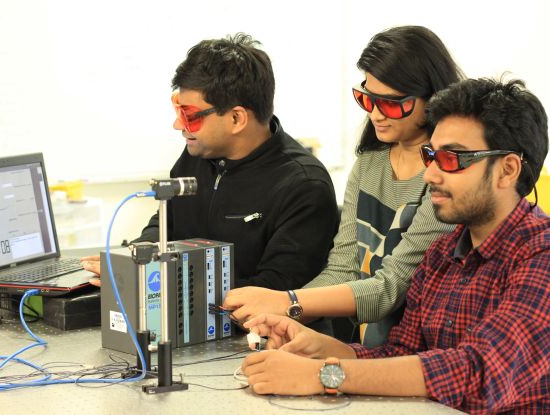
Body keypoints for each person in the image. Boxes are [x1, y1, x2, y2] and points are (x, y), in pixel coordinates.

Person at [241, 77, 550, 414]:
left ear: (507, 170)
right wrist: (322, 349)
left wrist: (323, 374)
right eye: (431, 156)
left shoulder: (541, 257)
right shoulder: (444, 253)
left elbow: (478, 373)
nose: (430, 174)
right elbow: (402, 354)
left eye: (452, 159)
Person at [224, 26, 463, 346]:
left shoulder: (443, 178)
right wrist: (280, 318)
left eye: (391, 104)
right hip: (369, 347)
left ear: (432, 98)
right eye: (367, 98)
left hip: (424, 352)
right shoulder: (369, 163)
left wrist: (288, 302)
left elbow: (390, 288)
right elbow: (344, 268)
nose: (376, 114)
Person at [82, 33, 339, 291]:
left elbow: (272, 291)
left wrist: (165, 286)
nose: (178, 125)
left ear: (237, 119)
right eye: (178, 111)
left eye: (190, 116)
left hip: (257, 329)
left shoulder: (303, 186)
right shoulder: (198, 155)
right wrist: (134, 260)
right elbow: (166, 223)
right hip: (185, 312)